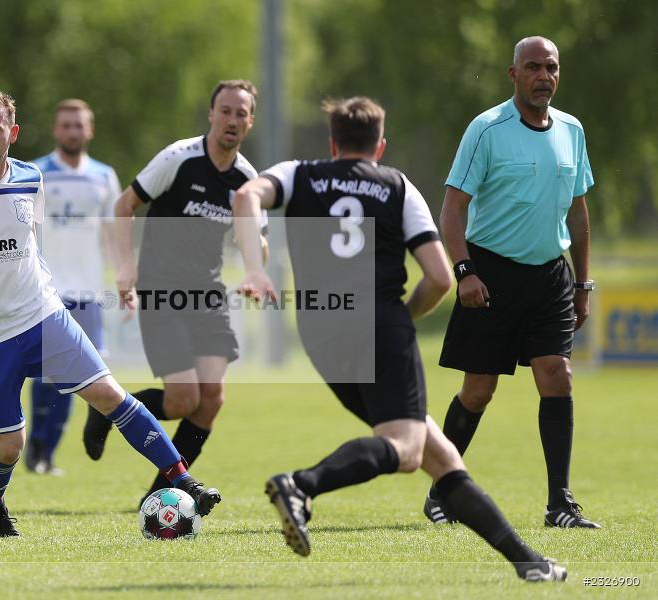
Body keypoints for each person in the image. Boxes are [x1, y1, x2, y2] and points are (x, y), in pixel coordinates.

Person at [233, 96, 567, 581]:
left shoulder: (297, 174)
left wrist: (254, 269)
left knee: (439, 455)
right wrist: (402, 321)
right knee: (406, 450)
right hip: (379, 325)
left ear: (333, 144)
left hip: (320, 332)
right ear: (380, 146)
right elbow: (440, 278)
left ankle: (528, 563)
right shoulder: (397, 186)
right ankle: (301, 485)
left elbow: (245, 197)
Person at [0, 91, 221, 537]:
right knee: (9, 445)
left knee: (111, 395)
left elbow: (31, 244)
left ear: (12, 133)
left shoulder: (31, 177)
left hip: (42, 315)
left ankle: (183, 479)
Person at [423, 36, 599, 529]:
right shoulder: (487, 129)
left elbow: (578, 213)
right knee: (479, 390)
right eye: (534, 67)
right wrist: (464, 271)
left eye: (552, 68)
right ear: (513, 73)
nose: (544, 76)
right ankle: (442, 490)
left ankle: (560, 503)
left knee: (557, 375)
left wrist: (583, 284)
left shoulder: (572, 130)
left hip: (550, 276)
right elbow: (452, 210)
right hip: (490, 274)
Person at [82, 80, 264, 504]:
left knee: (211, 399)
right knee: (184, 400)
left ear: (250, 121)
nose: (232, 119)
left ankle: (162, 496)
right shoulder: (179, 158)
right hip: (162, 290)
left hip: (209, 295)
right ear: (211, 114)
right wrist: (125, 266)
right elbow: (124, 205)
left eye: (241, 113)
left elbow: (256, 238)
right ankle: (108, 408)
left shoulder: (247, 181)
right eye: (225, 111)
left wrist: (256, 268)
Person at [24, 99, 123, 476]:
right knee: (47, 373)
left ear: (89, 130)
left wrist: (123, 275)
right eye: (65, 125)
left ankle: (47, 452)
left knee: (79, 376)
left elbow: (113, 231)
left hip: (89, 292)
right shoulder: (36, 173)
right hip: (47, 288)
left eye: (78, 125)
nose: (72, 131)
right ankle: (37, 448)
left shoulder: (104, 176)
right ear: (56, 129)